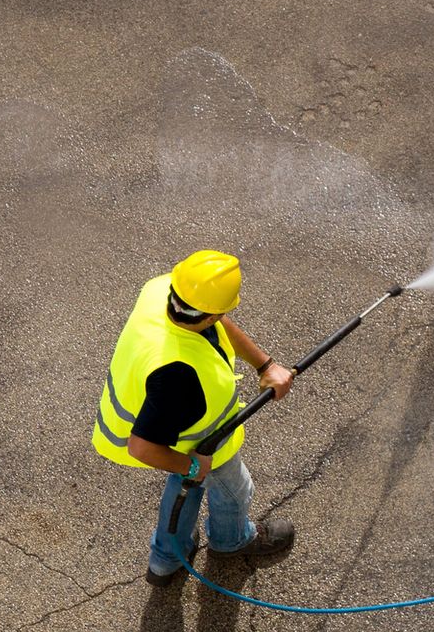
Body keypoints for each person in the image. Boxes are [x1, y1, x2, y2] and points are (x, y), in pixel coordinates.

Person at [93, 249, 297, 585]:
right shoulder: (177, 376)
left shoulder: (163, 290)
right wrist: (190, 465)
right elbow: (142, 447)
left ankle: (165, 561)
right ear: (212, 314)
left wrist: (266, 365)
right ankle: (232, 540)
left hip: (175, 429)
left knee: (187, 486)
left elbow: (218, 323)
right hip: (192, 441)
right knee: (233, 489)